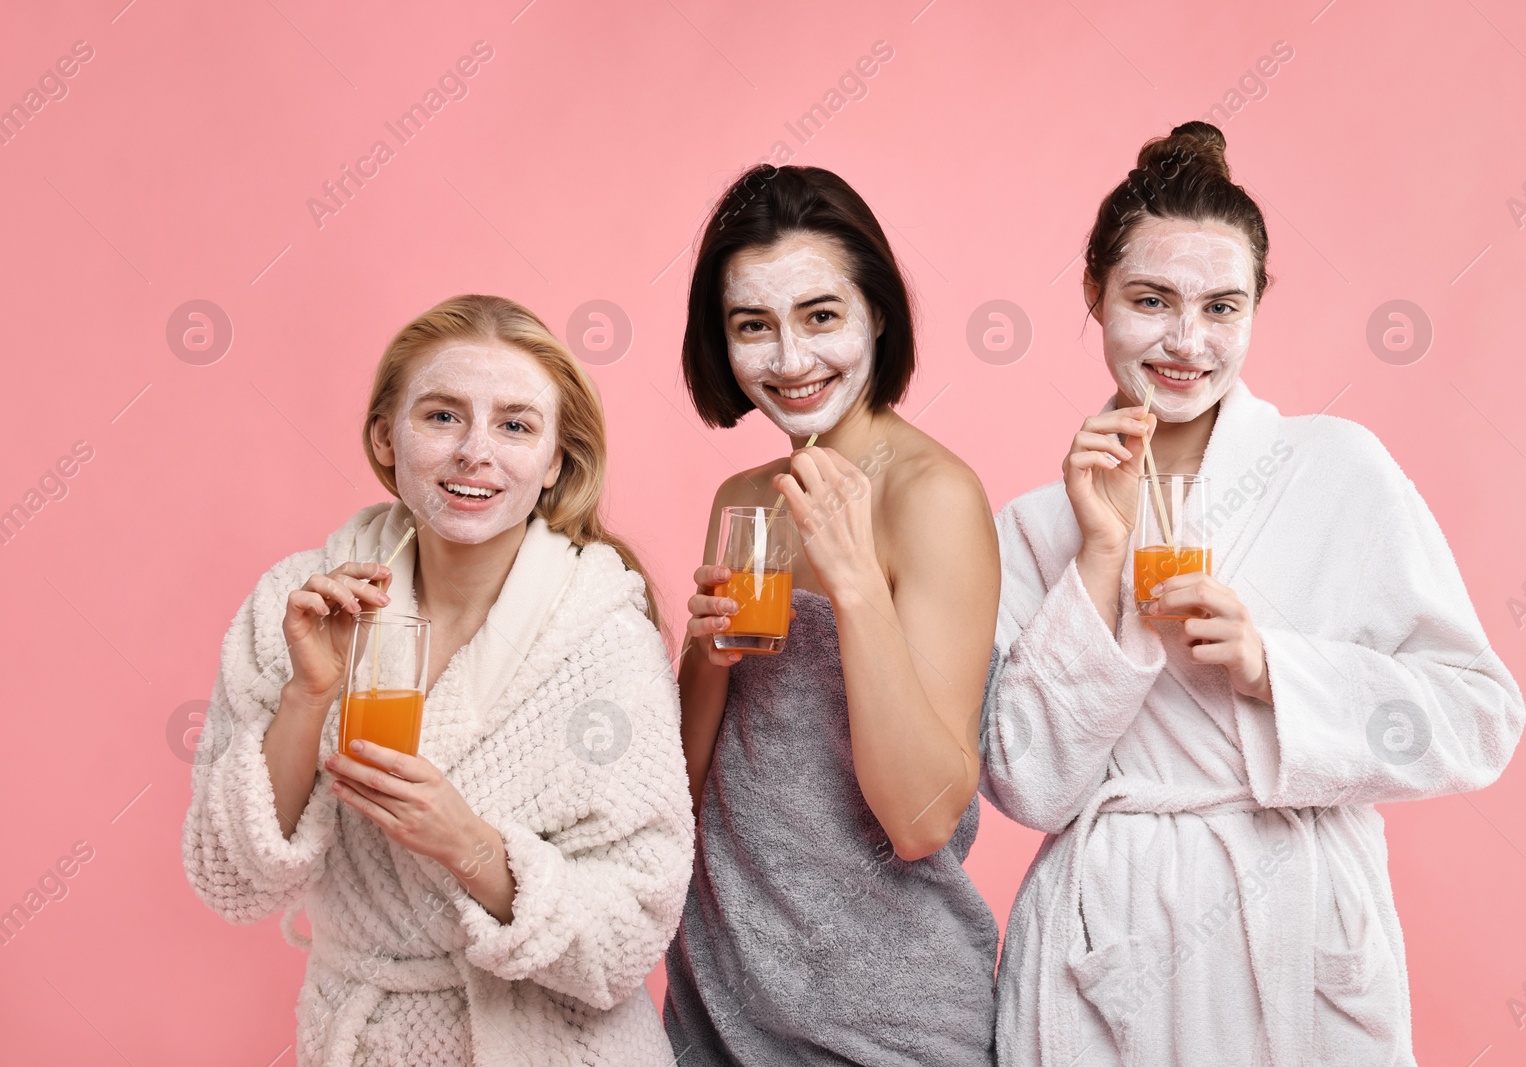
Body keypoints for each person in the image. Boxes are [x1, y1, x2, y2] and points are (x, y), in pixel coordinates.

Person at [981, 122, 1525, 1066]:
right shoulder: (1033, 527)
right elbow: (1028, 784)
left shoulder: (1338, 469)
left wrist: (1278, 668)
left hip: (1296, 930)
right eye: (1150, 300)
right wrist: (1102, 553)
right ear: (1092, 295)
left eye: (1222, 307)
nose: (1187, 341)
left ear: (1257, 307)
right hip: (1106, 940)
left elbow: (1480, 716)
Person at [183, 294, 694, 1066]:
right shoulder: (298, 603)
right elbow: (231, 879)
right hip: (363, 1038)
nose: (474, 453)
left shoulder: (605, 635)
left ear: (556, 459)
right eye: (443, 416)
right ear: (386, 437)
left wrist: (470, 846)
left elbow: (626, 938)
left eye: (516, 425)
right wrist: (308, 694)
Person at [664, 164, 1001, 1065]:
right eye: (752, 327)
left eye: (821, 315)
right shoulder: (745, 496)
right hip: (722, 999)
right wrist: (707, 654)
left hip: (886, 1020)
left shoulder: (933, 496)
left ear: (877, 314)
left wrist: (854, 584)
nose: (790, 360)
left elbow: (922, 816)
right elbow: (682, 787)